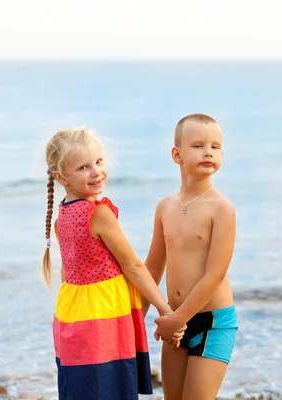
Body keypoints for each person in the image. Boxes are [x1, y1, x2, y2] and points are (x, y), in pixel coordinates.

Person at [42, 127, 185, 400]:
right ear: (61, 177)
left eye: (98, 162)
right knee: (110, 389)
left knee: (83, 389)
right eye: (83, 167)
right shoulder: (99, 213)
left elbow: (67, 272)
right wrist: (166, 310)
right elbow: (132, 266)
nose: (96, 172)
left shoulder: (62, 217)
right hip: (102, 317)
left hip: (71, 317)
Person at [142, 114, 239, 400]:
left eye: (215, 146)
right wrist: (137, 315)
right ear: (177, 155)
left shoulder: (222, 209)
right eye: (198, 145)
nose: (208, 151)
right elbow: (153, 267)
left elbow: (214, 275)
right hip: (175, 319)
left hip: (212, 322)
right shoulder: (165, 207)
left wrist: (178, 319)